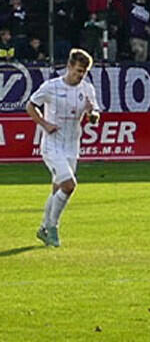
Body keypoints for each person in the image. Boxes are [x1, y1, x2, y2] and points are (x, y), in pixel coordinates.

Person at [25, 48, 99, 248]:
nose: (79, 75)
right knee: (69, 185)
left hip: (72, 146)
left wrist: (92, 115)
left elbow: (95, 115)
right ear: (68, 67)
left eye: (83, 72)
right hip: (52, 145)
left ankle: (42, 229)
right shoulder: (51, 87)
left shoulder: (87, 89)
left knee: (58, 189)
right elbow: (30, 105)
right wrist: (45, 124)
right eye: (77, 71)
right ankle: (53, 227)